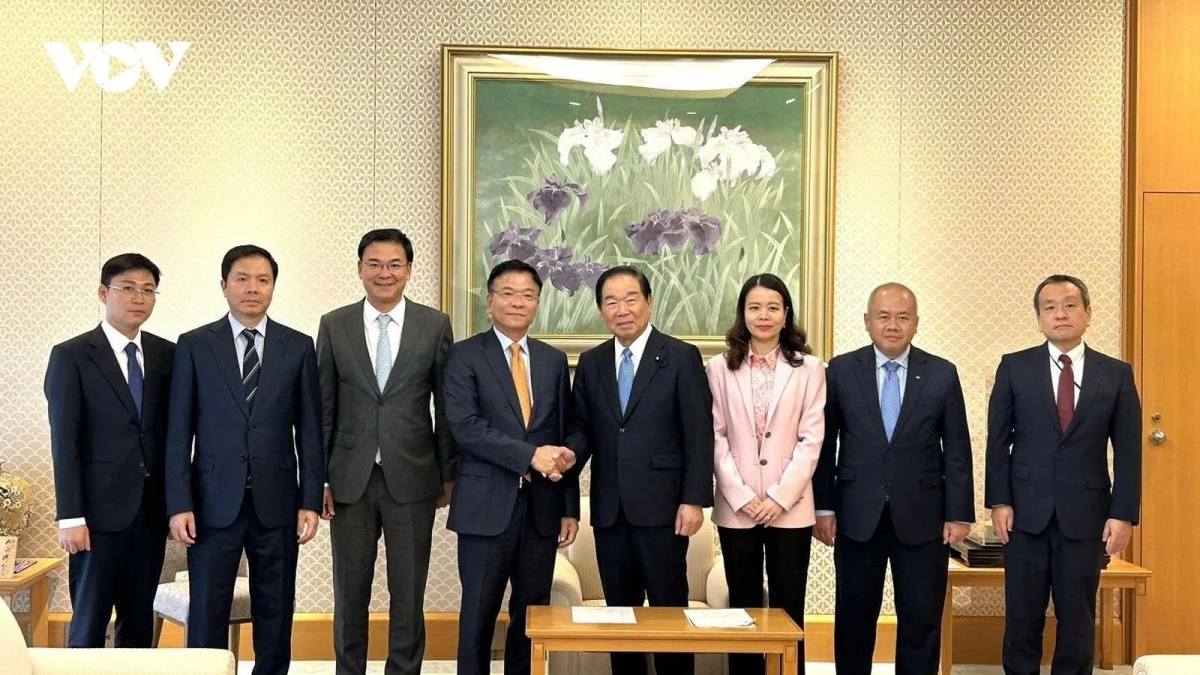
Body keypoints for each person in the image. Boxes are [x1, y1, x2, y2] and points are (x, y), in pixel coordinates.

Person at [165, 245, 324, 675]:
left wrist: (309, 499)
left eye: (262, 280)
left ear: (273, 286)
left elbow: (309, 431)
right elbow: (179, 433)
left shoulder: (297, 346)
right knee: (207, 611)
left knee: (275, 610)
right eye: (242, 278)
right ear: (224, 285)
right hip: (212, 504)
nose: (252, 288)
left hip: (277, 503)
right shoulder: (195, 345)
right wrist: (179, 503)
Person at [315, 228, 456, 675]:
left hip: (413, 477)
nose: (384, 273)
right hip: (349, 479)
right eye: (374, 264)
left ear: (410, 271)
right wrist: (318, 477)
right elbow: (323, 407)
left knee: (408, 590)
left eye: (395, 264)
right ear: (359, 269)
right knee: (350, 590)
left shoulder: (434, 325)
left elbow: (447, 407)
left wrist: (447, 474)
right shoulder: (333, 324)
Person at [813, 282, 974, 675]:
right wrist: (823, 506)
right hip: (855, 515)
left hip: (924, 518)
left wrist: (959, 514)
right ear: (867, 321)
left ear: (916, 323)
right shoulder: (840, 371)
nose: (892, 325)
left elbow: (956, 449)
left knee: (921, 619)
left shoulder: (941, 373)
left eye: (902, 317)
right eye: (883, 316)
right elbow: (823, 444)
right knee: (853, 618)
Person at [986, 274, 1141, 675]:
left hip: (1087, 514)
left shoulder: (1116, 374)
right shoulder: (1014, 367)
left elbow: (1127, 451)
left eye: (1070, 305)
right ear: (1039, 318)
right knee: (1022, 617)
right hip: (1024, 513)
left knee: (1077, 620)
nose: (1060, 314)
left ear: (1088, 314)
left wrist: (1123, 513)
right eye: (1050, 307)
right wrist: (999, 501)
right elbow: (997, 441)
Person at [569, 265, 714, 675]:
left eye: (631, 298)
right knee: (621, 617)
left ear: (648, 302)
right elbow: (583, 429)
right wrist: (566, 456)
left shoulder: (681, 357)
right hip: (610, 511)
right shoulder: (592, 362)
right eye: (611, 301)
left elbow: (698, 434)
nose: (622, 309)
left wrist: (693, 500)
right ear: (600, 310)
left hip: (666, 510)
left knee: (669, 613)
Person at [444, 259, 580, 675]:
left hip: (541, 509)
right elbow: (464, 427)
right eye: (508, 293)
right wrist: (527, 456)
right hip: (485, 506)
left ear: (538, 303)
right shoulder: (464, 355)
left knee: (531, 617)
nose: (517, 302)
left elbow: (565, 428)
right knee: (478, 617)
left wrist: (569, 505)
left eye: (528, 295)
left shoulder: (553, 361)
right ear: (490, 302)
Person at [45, 253, 173, 648]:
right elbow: (65, 443)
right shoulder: (72, 355)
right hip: (95, 517)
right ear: (104, 293)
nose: (139, 298)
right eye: (128, 288)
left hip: (150, 514)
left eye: (148, 290)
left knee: (138, 623)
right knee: (90, 621)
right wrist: (70, 516)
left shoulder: (167, 355)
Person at [706, 273, 825, 675]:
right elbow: (716, 436)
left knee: (789, 606)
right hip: (737, 507)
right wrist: (741, 496)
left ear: (786, 314)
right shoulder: (719, 368)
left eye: (773, 307)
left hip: (790, 507)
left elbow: (812, 439)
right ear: (742, 314)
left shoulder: (809, 368)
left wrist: (778, 497)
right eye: (754, 307)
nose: (763, 316)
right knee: (742, 606)